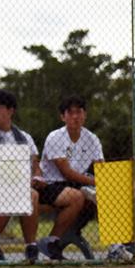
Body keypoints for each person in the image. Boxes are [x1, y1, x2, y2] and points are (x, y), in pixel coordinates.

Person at [0, 89, 77, 262]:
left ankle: (51, 242)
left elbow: (36, 165)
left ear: (11, 110)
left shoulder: (24, 137)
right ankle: (24, 246)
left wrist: (38, 178)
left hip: (28, 185)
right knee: (30, 196)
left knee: (74, 196)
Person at [39, 95, 103, 256]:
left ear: (85, 114)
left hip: (78, 183)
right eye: (70, 113)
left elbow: (101, 167)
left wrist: (105, 182)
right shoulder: (55, 137)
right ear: (63, 117)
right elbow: (66, 172)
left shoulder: (92, 139)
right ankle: (52, 241)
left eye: (79, 112)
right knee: (77, 197)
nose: (75, 116)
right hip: (50, 185)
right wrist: (95, 181)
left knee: (105, 195)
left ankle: (118, 245)